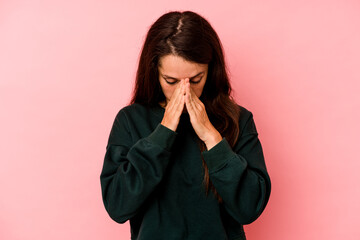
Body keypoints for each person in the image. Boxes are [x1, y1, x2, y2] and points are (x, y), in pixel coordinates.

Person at [100, 11, 271, 240]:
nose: (184, 91)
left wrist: (212, 138)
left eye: (196, 79)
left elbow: (250, 207)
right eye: (171, 81)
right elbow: (117, 205)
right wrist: (163, 133)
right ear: (155, 73)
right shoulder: (131, 121)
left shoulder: (238, 120)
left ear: (211, 70)